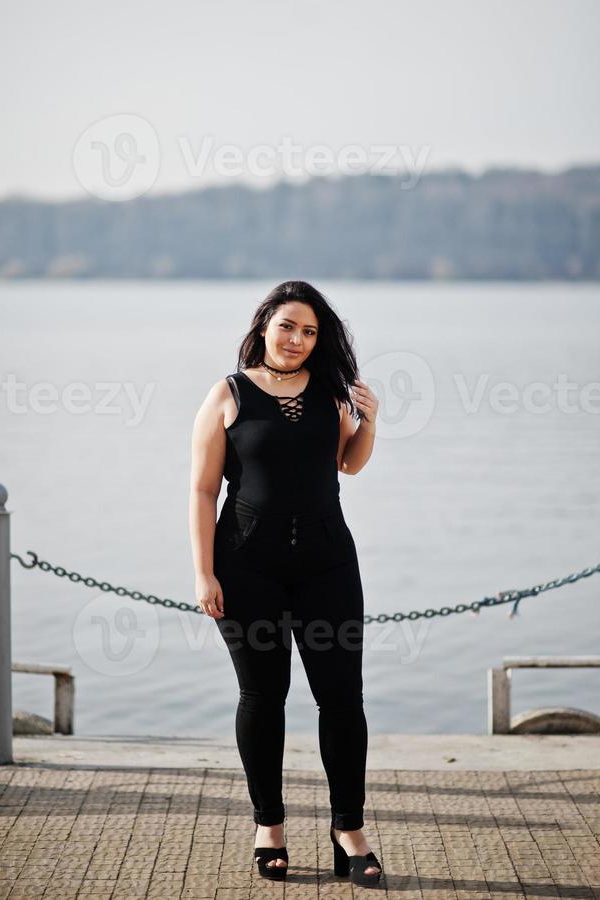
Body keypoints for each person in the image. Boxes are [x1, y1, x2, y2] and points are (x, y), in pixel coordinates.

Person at [188, 280, 382, 887]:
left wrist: (368, 421)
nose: (297, 340)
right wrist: (204, 572)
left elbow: (347, 464)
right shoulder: (229, 393)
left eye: (310, 331)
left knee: (342, 701)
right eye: (287, 326)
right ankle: (268, 825)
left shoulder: (330, 392)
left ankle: (348, 828)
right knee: (263, 698)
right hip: (247, 567)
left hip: (327, 564)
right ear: (264, 326)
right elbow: (202, 489)